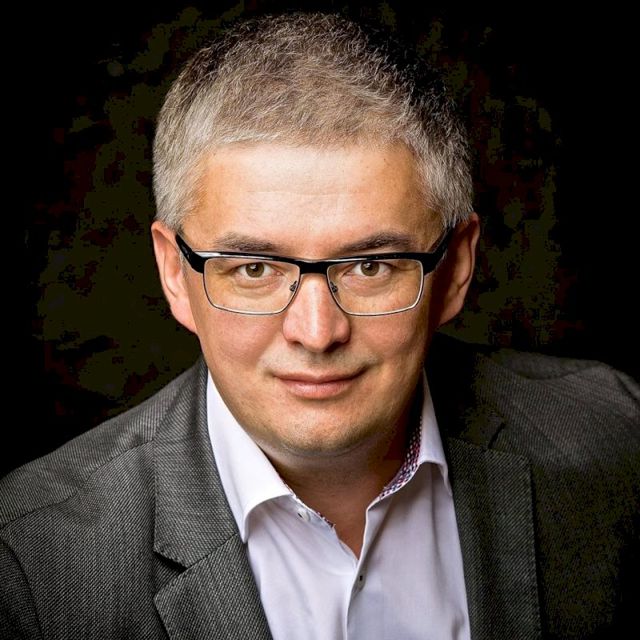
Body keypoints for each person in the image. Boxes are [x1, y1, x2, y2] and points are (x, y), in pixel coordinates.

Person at [1, 12, 637, 640]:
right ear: (175, 273)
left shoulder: (616, 439)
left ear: (455, 269)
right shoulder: (32, 560)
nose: (316, 332)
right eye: (254, 268)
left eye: (370, 266)